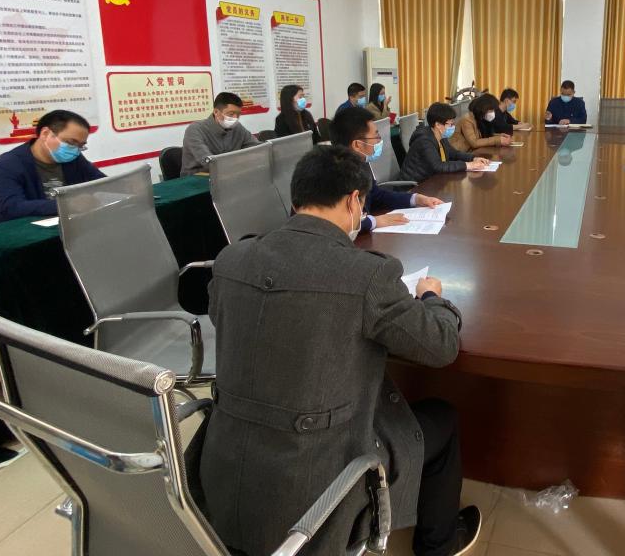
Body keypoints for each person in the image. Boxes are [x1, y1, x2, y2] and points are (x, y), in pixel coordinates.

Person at [200, 145, 481, 556]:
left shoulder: (231, 259)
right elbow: (440, 346)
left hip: (222, 470)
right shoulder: (368, 275)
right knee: (443, 417)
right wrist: (432, 299)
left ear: (297, 196)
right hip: (316, 484)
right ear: (354, 202)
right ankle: (438, 545)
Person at [332, 106, 444, 234]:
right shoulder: (334, 174)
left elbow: (377, 196)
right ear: (357, 145)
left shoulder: (361, 163)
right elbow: (338, 222)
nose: (379, 140)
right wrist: (374, 221)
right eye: (376, 136)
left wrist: (416, 199)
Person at [0, 110, 104, 224]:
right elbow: (12, 207)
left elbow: (102, 182)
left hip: (69, 225)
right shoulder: (5, 166)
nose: (75, 150)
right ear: (45, 134)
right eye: (71, 142)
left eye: (80, 146)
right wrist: (67, 204)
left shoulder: (73, 157)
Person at [401, 103, 489, 183]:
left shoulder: (440, 136)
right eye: (450, 124)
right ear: (438, 125)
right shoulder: (424, 141)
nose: (453, 127)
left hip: (432, 181)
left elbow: (454, 154)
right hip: (413, 187)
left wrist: (473, 158)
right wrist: (468, 165)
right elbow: (438, 166)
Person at [180, 92, 260, 176]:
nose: (235, 118)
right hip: (197, 177)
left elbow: (258, 148)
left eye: (238, 114)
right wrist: (241, 160)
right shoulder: (195, 129)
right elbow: (209, 162)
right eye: (231, 114)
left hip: (229, 174)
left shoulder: (237, 127)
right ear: (216, 112)